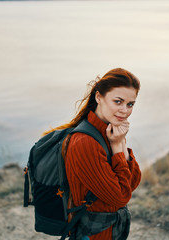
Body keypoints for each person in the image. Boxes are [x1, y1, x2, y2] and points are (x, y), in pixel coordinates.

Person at [45, 68, 141, 240]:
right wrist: (118, 146)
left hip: (110, 230)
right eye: (118, 101)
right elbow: (120, 198)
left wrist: (119, 145)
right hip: (93, 234)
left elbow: (131, 183)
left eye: (130, 104)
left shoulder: (110, 132)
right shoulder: (85, 143)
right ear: (98, 97)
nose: (125, 110)